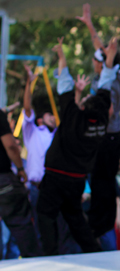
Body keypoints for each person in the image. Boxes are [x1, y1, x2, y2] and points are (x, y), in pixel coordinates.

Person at [36, 36, 119, 256]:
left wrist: (61, 56)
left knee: (45, 214)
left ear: (82, 108)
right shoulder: (101, 120)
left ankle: (50, 253)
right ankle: (94, 251)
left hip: (55, 176)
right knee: (74, 218)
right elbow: (105, 87)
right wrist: (109, 59)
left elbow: (64, 82)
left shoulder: (73, 117)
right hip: (77, 179)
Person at [77, 3, 120, 250]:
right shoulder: (103, 74)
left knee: (104, 183)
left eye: (99, 60)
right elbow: (101, 50)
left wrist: (89, 111)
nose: (95, 62)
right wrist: (89, 24)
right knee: (98, 182)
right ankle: (98, 228)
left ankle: (103, 230)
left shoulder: (113, 78)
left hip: (108, 136)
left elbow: (109, 109)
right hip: (103, 136)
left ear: (102, 63)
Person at [0, 108, 41, 258]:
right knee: (21, 225)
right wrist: (20, 169)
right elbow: (10, 145)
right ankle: (35, 264)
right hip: (4, 180)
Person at [21, 64, 57, 231]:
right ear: (41, 119)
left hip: (54, 188)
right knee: (36, 228)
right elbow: (27, 108)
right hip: (36, 188)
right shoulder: (33, 132)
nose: (53, 117)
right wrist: (29, 83)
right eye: (50, 115)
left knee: (54, 228)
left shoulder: (57, 135)